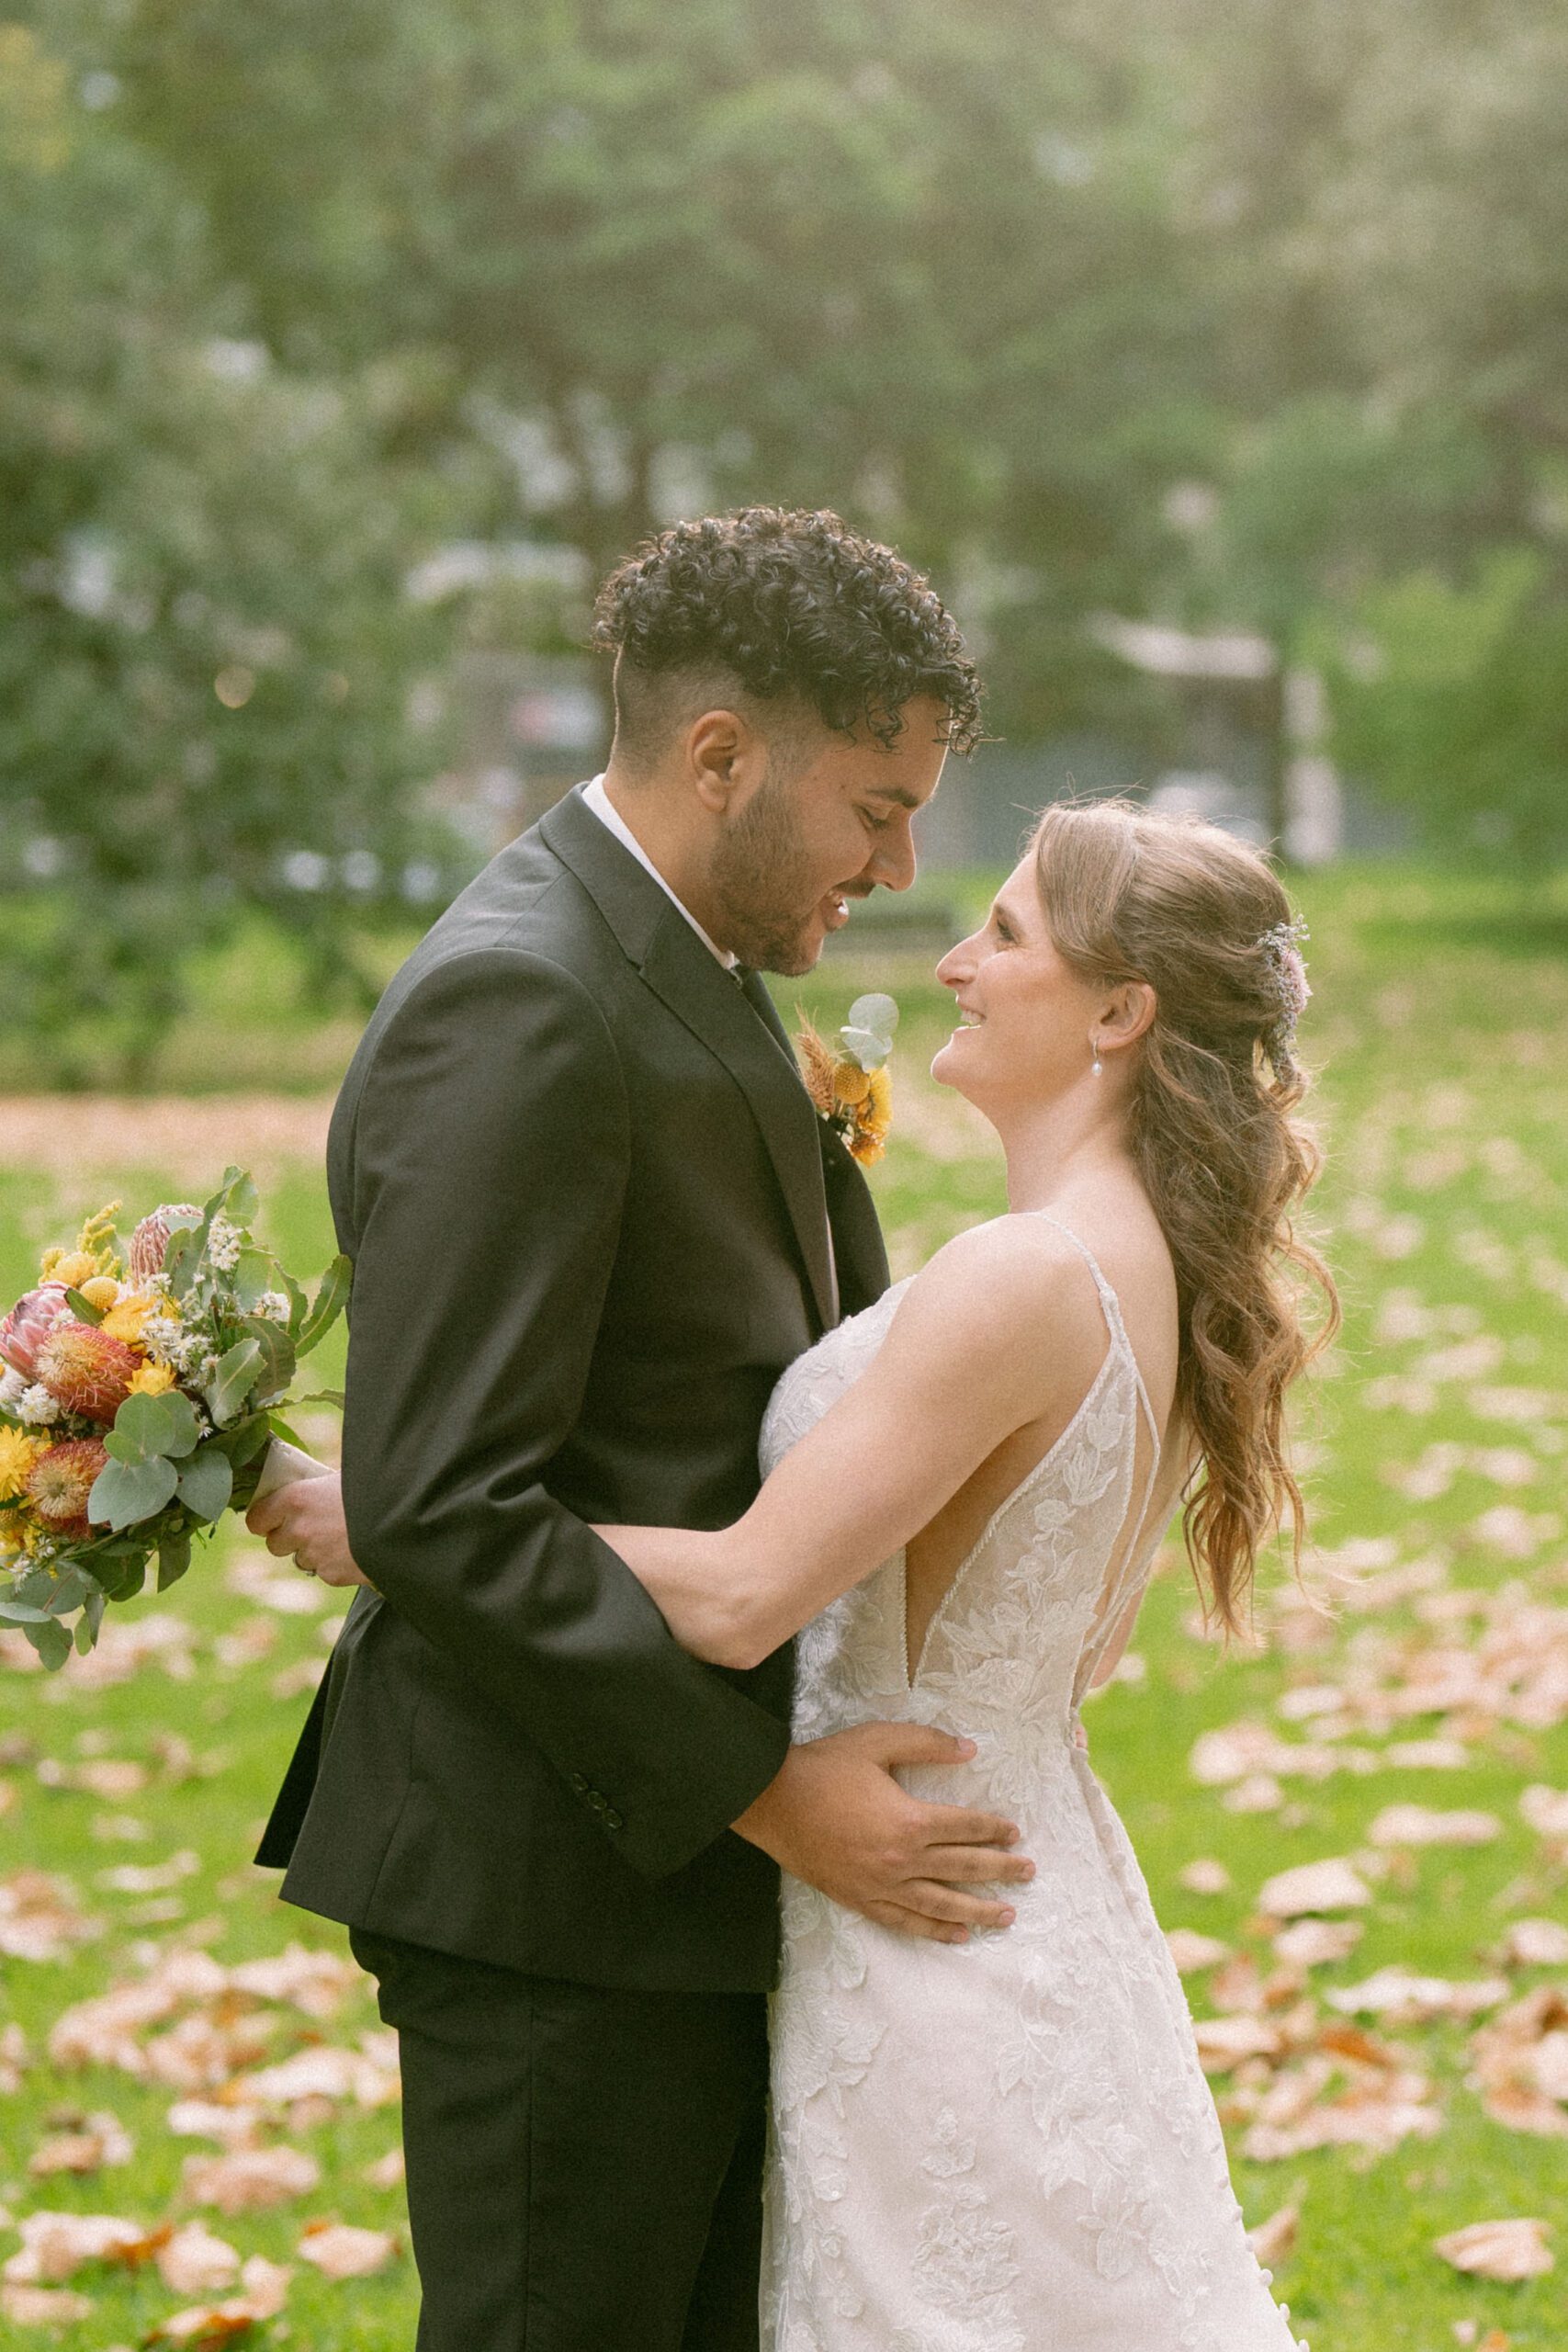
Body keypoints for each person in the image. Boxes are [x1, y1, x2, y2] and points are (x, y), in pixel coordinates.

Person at [266, 797, 1337, 2349]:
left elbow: (740, 1592)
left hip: (924, 1924)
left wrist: (403, 1521)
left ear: (1121, 1011)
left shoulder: (1028, 1274)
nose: (959, 958)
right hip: (1022, 1888)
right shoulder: (1136, 1261)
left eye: (1012, 933)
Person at [250, 507, 1034, 2352]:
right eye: (870, 802)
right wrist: (771, 1799)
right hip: (551, 1887)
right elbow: (443, 1507)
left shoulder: (681, 966)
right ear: (715, 756)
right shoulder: (523, 997)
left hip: (656, 1880)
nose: (901, 858)